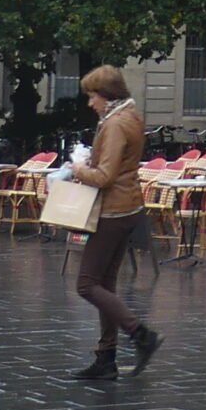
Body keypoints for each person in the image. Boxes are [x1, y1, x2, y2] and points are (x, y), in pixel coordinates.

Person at [66, 65, 161, 380]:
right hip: (128, 208)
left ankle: (140, 334)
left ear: (107, 96)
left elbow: (105, 177)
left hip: (111, 211)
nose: (90, 103)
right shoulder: (130, 117)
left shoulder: (115, 124)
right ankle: (106, 359)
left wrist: (78, 169)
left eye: (92, 97)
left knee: (87, 284)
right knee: (105, 283)